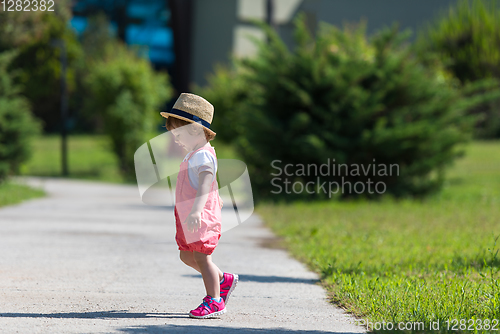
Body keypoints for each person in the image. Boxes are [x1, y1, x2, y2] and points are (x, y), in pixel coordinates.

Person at [160, 93, 238, 319]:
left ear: (194, 130)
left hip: (199, 215)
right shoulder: (195, 154)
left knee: (203, 258)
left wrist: (197, 210)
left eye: (177, 134)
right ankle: (223, 280)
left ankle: (214, 301)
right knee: (186, 256)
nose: (175, 139)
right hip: (189, 215)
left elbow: (205, 182)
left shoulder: (202, 156)